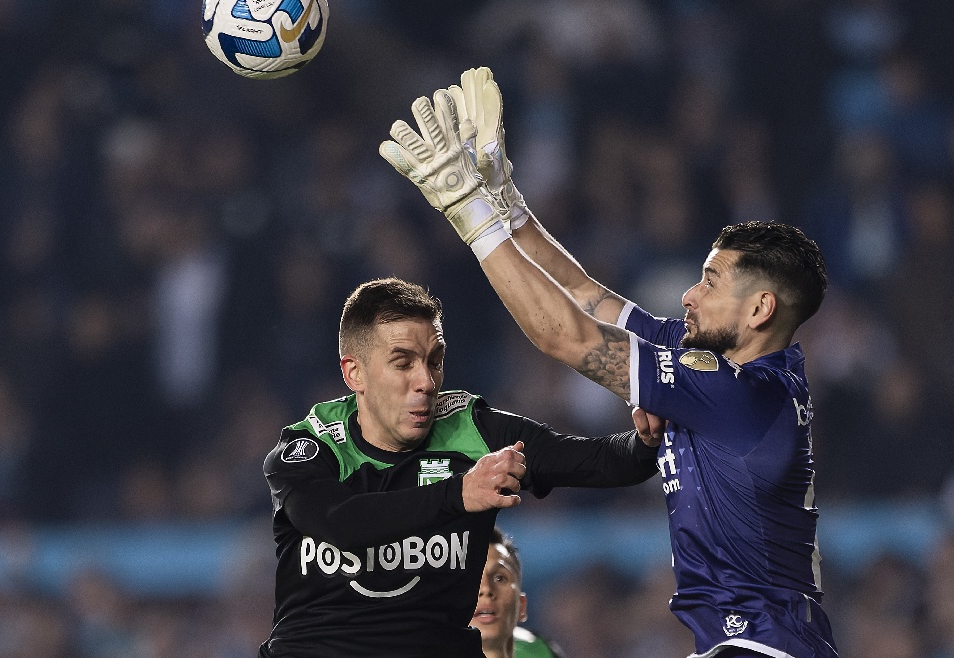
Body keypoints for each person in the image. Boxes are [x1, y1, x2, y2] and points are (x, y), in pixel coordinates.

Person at [381, 68, 838, 658]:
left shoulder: (738, 394)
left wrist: (469, 212)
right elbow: (587, 298)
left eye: (710, 282)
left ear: (759, 309)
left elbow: (565, 336)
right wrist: (506, 204)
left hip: (763, 648)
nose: (689, 295)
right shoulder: (722, 367)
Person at [261, 277, 663, 657]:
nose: (426, 381)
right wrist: (459, 494)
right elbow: (337, 521)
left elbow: (600, 462)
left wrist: (645, 442)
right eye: (402, 363)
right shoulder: (313, 446)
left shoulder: (474, 431)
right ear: (355, 373)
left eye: (434, 361)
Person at [471, 526, 565, 658]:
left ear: (521, 605)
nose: (486, 589)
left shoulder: (541, 652)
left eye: (499, 578)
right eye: (468, 579)